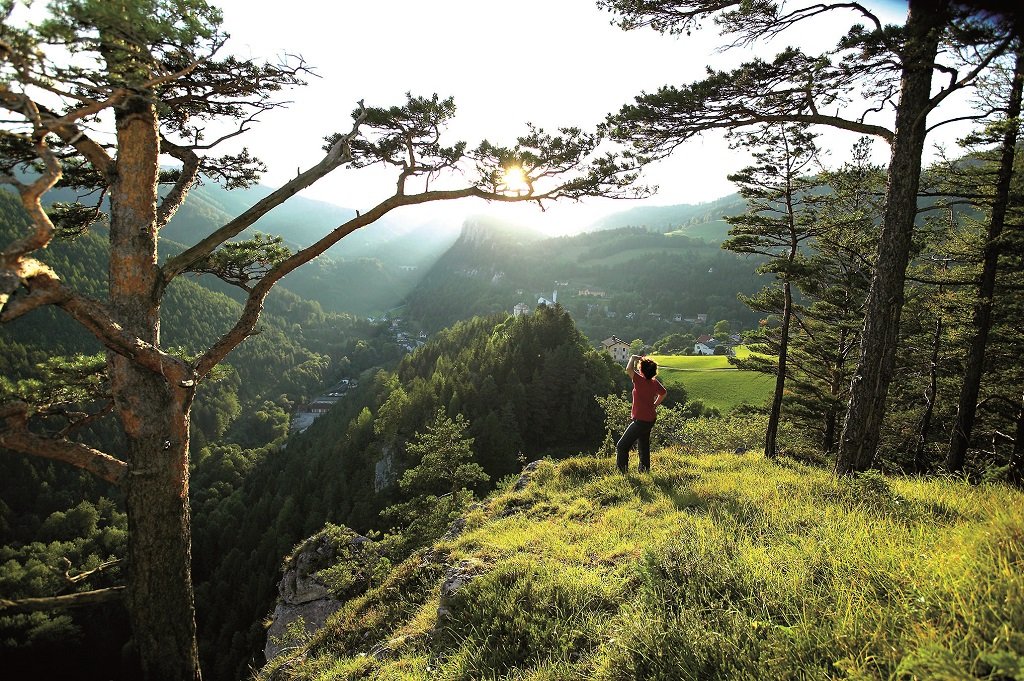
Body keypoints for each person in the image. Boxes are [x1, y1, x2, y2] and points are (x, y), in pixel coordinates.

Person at [616, 354, 667, 474]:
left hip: (640, 421)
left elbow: (628, 369)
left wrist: (633, 358)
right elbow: (663, 393)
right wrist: (655, 405)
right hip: (650, 419)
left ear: (641, 370)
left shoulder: (639, 380)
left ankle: (622, 473)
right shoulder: (654, 383)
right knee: (643, 445)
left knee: (622, 446)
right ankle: (644, 470)